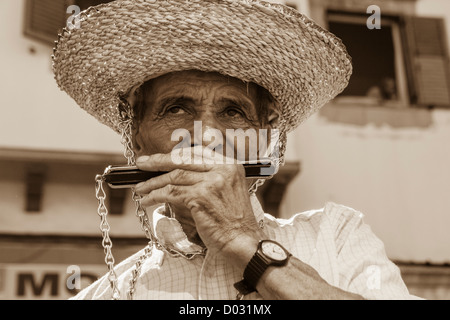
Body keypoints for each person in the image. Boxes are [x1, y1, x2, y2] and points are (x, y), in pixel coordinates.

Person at [52, 0, 418, 300]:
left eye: (233, 112)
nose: (207, 136)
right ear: (136, 137)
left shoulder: (336, 235)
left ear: (265, 138)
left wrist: (242, 240)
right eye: (176, 109)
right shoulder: (104, 295)